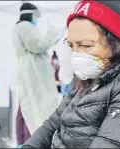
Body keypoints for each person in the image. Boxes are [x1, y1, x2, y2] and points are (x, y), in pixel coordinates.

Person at [23, 0, 120, 148]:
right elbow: (51, 124)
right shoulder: (83, 79)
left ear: (115, 44)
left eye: (86, 45)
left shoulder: (116, 89)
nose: (76, 56)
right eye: (71, 46)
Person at [13, 2, 62, 146]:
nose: (36, 19)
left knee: (25, 106)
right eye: (35, 15)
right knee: (34, 108)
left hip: (28, 71)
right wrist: (52, 35)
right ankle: (30, 141)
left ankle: (22, 141)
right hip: (33, 73)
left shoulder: (18, 28)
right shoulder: (25, 27)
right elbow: (38, 46)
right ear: (30, 14)